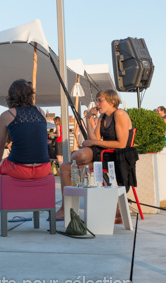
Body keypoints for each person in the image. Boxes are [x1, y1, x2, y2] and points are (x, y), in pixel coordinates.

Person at [56, 89, 137, 220]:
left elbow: (122, 144)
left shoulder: (119, 114)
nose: (97, 103)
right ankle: (66, 209)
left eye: (100, 100)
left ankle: (115, 207)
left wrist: (93, 142)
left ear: (112, 101)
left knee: (78, 156)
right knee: (65, 167)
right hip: (103, 154)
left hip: (118, 156)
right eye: (97, 100)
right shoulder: (102, 117)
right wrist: (88, 118)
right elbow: (94, 139)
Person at [0, 79, 51, 182]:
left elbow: (0, 144)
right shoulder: (40, 111)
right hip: (44, 168)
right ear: (30, 94)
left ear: (11, 95)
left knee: (2, 165)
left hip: (19, 168)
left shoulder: (7, 115)